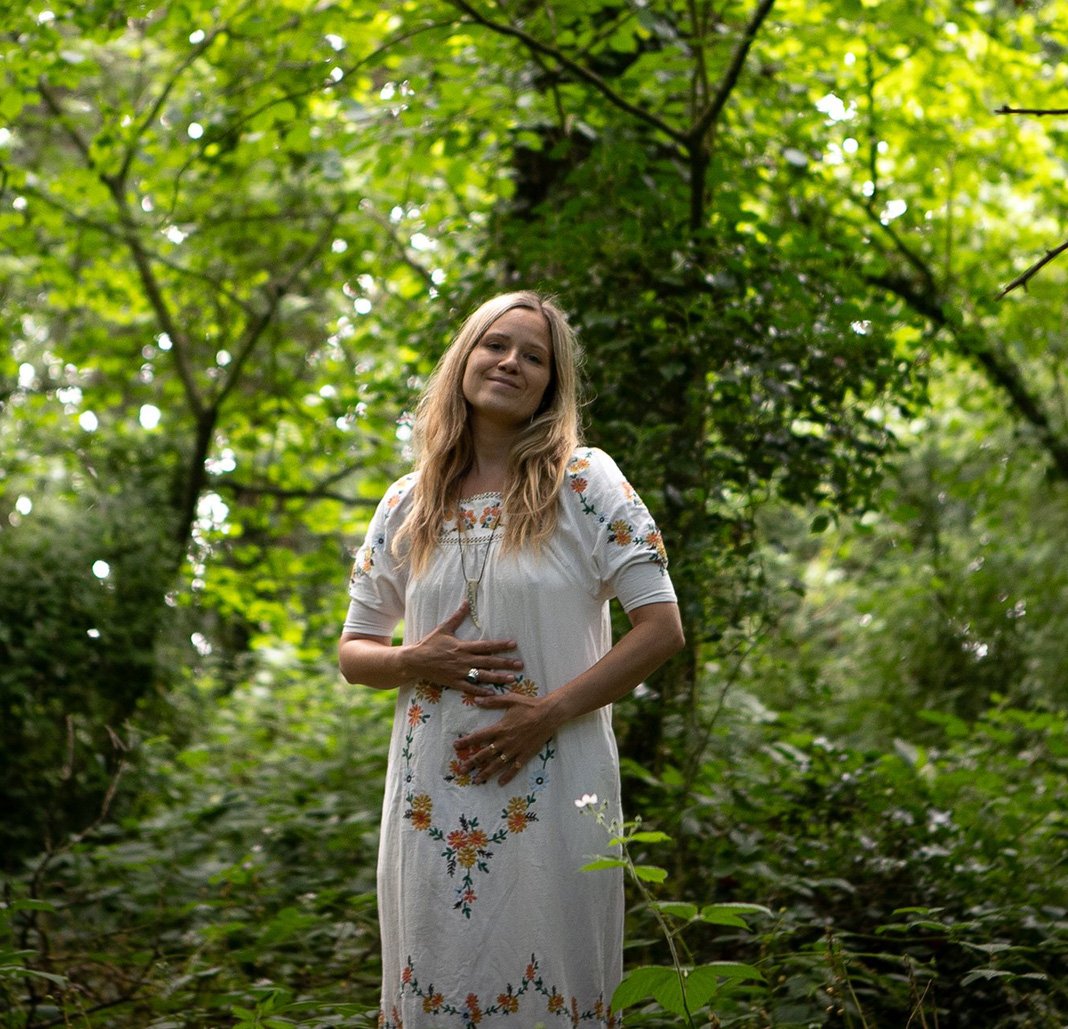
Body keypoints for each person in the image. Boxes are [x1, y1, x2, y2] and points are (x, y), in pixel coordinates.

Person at [339, 290, 684, 1028]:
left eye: (534, 356)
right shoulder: (408, 501)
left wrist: (546, 712)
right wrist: (415, 658)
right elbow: (354, 652)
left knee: (551, 979)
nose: (511, 362)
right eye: (497, 343)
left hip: (557, 784)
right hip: (431, 792)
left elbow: (661, 628)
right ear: (465, 357)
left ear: (551, 386)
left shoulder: (586, 482)